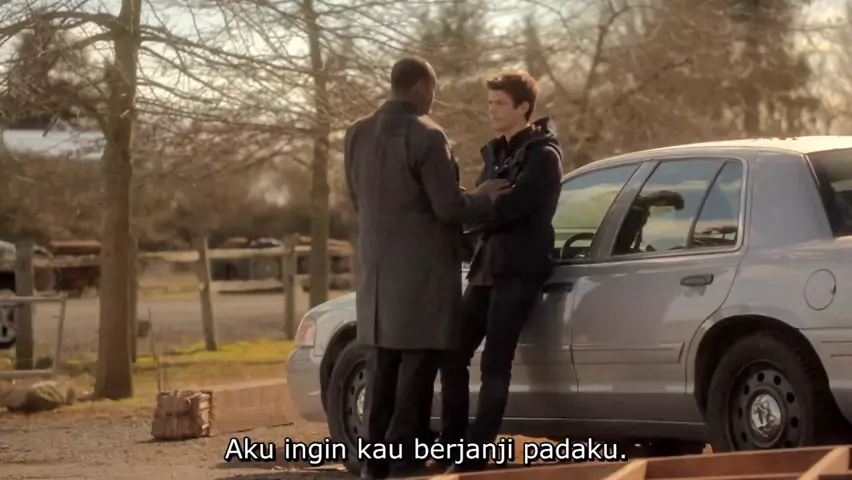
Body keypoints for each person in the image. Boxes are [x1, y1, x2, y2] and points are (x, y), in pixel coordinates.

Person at [343, 56, 512, 480]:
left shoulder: (356, 133)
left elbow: (358, 198)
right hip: (423, 278)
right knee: (416, 374)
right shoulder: (428, 135)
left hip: (376, 276)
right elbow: (448, 207)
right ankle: (404, 464)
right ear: (421, 87)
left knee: (382, 371)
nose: (434, 98)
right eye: (433, 90)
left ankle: (373, 466)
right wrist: (484, 196)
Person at [438, 70, 564, 473]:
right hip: (486, 266)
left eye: (500, 103)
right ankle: (452, 443)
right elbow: (476, 211)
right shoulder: (495, 153)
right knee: (452, 352)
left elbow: (512, 208)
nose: (491, 110)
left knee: (495, 362)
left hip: (520, 268)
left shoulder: (543, 155)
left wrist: (482, 205)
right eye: (489, 102)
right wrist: (482, 204)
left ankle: (476, 450)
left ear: (523, 107)